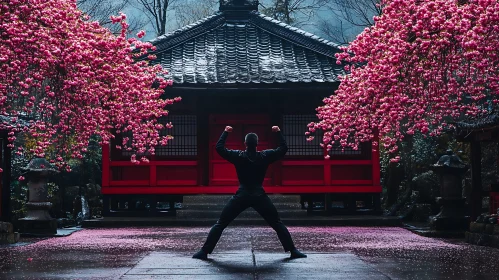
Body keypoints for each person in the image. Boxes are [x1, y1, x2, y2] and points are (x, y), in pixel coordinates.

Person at [193, 125, 307, 260]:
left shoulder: (238, 156)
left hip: (242, 194)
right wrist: (278, 133)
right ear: (257, 144)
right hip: (259, 195)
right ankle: (293, 250)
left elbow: (219, 148)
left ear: (245, 143)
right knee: (276, 223)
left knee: (221, 223)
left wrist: (225, 132)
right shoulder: (264, 156)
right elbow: (283, 149)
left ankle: (204, 252)